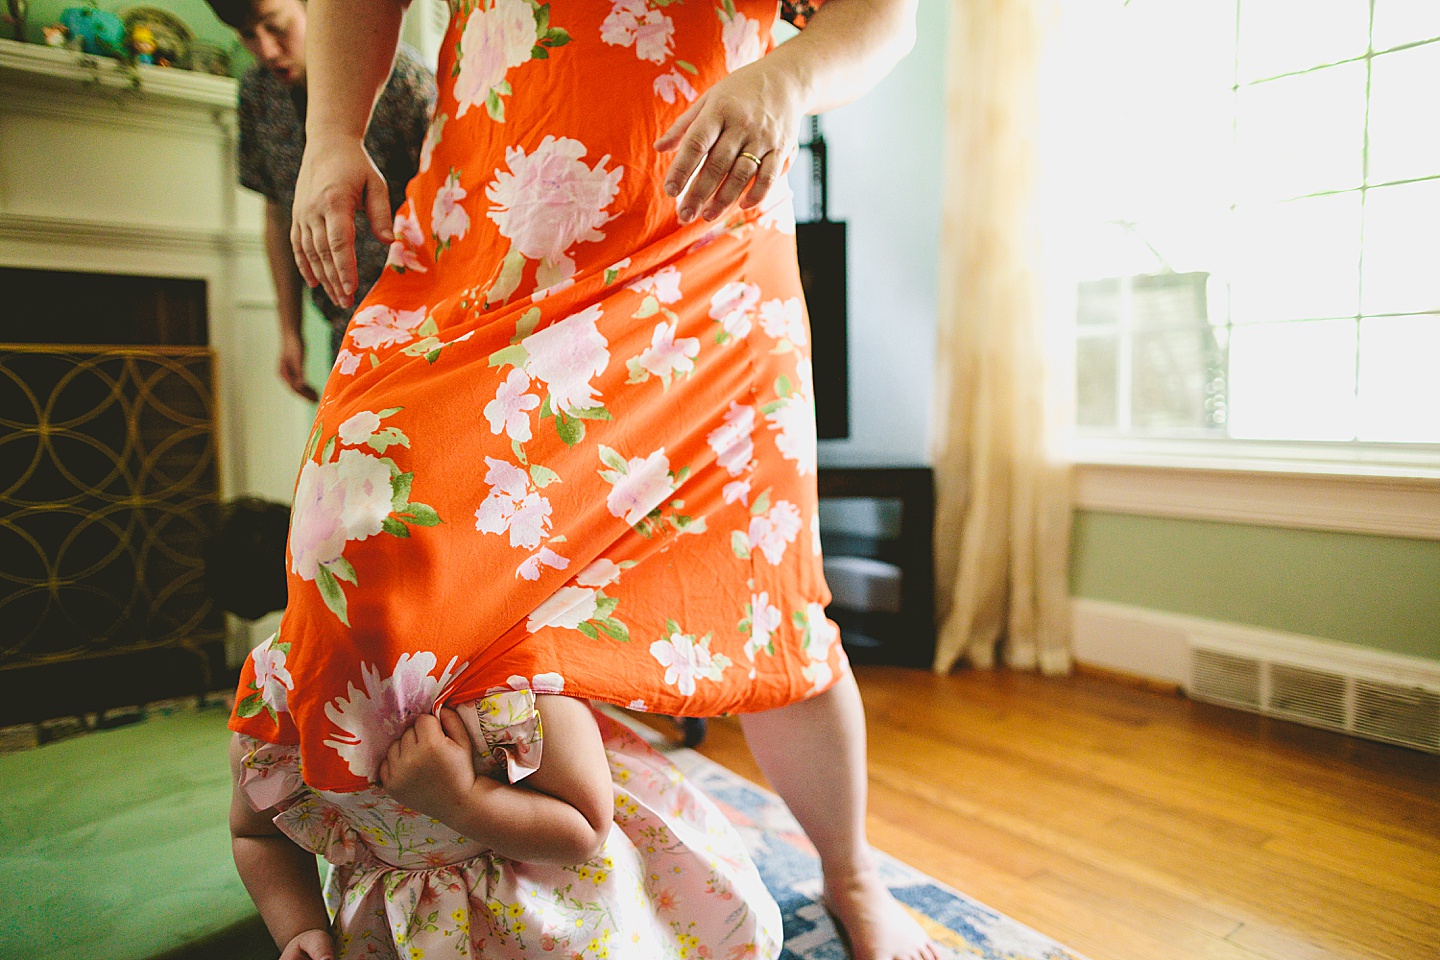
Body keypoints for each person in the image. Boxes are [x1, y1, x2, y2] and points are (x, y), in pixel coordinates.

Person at [237, 1, 934, 959]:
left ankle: (850, 873)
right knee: (356, 527)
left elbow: (882, 15)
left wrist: (785, 78)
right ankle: (425, 877)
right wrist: (331, 135)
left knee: (758, 589)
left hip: (699, 249)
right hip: (484, 229)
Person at [230, 688, 782, 959]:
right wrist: (300, 926)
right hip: (405, 932)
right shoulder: (282, 703)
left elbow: (585, 830)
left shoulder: (516, 677)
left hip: (560, 902)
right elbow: (255, 832)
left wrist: (463, 799)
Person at [205, 0, 436, 399]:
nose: (268, 50)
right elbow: (278, 214)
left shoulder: (402, 75)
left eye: (275, 27)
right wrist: (290, 332)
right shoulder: (256, 95)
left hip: (429, 312)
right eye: (248, 36)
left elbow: (455, 189)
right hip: (345, 324)